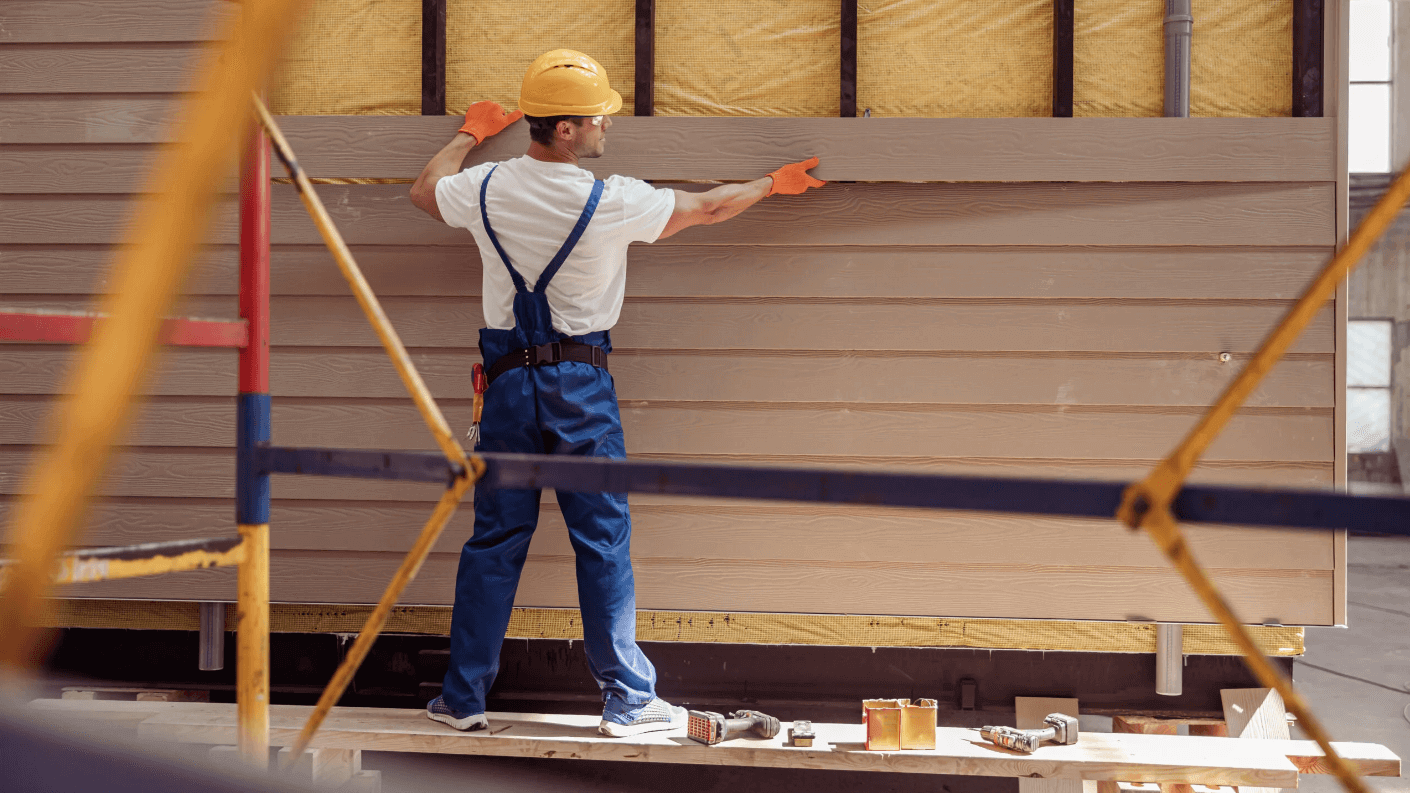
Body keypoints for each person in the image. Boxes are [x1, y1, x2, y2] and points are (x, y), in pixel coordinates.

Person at [408, 49, 825, 737]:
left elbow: (425, 192)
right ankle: (628, 700)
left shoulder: (483, 189)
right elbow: (711, 207)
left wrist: (469, 133)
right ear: (566, 129)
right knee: (601, 540)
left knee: (495, 540)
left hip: (507, 386)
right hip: (580, 388)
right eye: (600, 115)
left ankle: (462, 698)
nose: (610, 124)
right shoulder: (612, 200)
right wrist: (772, 184)